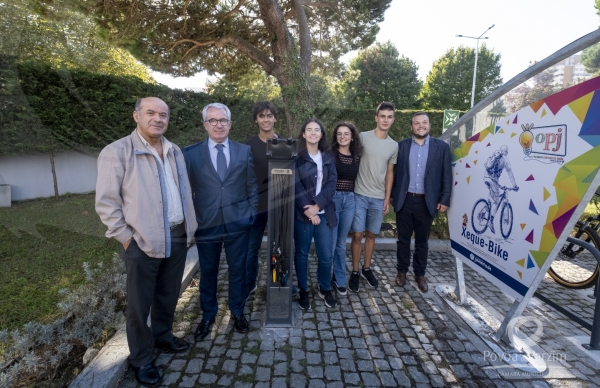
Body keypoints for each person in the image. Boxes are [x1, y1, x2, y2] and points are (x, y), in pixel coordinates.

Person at [95, 97, 197, 386]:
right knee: (140, 306)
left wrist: (191, 227)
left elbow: (183, 190)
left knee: (167, 294)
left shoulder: (174, 150)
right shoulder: (118, 152)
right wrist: (127, 240)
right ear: (136, 116)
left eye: (163, 114)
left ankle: (163, 337)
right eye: (151, 112)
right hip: (141, 241)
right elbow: (106, 203)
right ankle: (141, 358)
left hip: (177, 235)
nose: (158, 118)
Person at [183, 103, 258, 339]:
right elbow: (186, 191)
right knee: (209, 272)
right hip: (207, 225)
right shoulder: (191, 154)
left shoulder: (243, 151)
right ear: (205, 124)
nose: (219, 125)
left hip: (238, 224)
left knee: (238, 271)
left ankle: (237, 311)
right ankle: (208, 315)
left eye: (223, 120)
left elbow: (252, 185)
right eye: (213, 120)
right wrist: (193, 220)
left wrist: (251, 214)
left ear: (230, 124)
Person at [391, 112, 452, 292]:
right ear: (411, 126)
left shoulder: (441, 147)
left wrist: (444, 198)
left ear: (429, 125)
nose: (420, 126)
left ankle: (420, 274)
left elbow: (446, 175)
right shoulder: (400, 146)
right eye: (416, 123)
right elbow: (393, 174)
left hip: (427, 201)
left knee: (422, 241)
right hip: (405, 199)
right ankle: (401, 272)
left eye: (424, 122)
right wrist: (393, 196)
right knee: (402, 240)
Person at [349, 102, 398, 293]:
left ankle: (366, 269)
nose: (386, 120)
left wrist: (387, 198)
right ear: (376, 117)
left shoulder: (394, 146)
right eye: (382, 116)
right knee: (358, 234)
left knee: (371, 234)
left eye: (389, 116)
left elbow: (390, 173)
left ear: (393, 119)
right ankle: (354, 271)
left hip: (378, 198)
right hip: (359, 194)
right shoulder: (362, 138)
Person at [294, 118, 338, 310]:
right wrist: (309, 210)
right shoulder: (297, 157)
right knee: (302, 254)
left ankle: (324, 288)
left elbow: (331, 185)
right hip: (302, 215)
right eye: (309, 130)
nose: (313, 133)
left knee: (326, 255)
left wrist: (317, 205)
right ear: (303, 134)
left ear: (321, 134)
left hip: (324, 213)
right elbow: (294, 186)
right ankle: (303, 290)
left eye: (317, 130)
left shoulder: (328, 158)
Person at [244, 101, 278, 299]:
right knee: (251, 248)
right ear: (256, 119)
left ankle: (277, 282)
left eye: (269, 115)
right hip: (256, 206)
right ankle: (250, 283)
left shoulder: (285, 143)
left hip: (279, 206)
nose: (266, 119)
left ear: (274, 118)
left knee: (278, 246)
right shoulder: (248, 145)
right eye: (261, 116)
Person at [329, 122, 361, 296]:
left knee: (341, 243)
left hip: (349, 200)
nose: (343, 137)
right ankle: (325, 278)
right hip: (333, 199)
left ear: (352, 136)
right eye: (339, 134)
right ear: (336, 136)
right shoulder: (330, 155)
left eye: (346, 134)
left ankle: (339, 278)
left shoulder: (356, 157)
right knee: (331, 243)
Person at [483, 145, 519, 233]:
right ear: (506, 152)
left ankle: (484, 210)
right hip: (493, 180)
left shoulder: (495, 155)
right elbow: (510, 173)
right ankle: (490, 222)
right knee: (496, 201)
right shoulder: (505, 161)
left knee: (492, 196)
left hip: (486, 177)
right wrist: (514, 186)